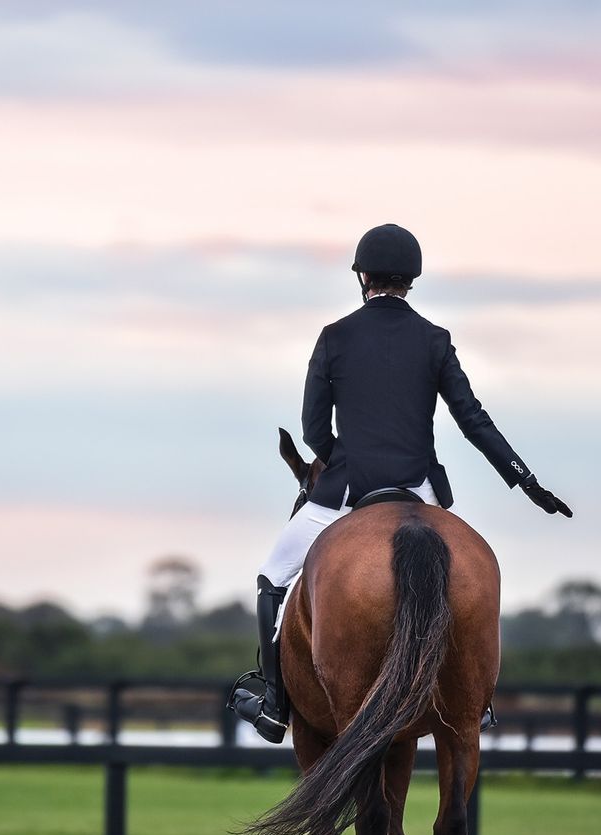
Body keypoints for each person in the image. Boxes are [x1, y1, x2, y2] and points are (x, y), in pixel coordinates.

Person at [230, 224, 572, 743]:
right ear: (411, 279)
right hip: (422, 490)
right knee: (462, 577)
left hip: (346, 488)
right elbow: (473, 420)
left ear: (361, 276)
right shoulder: (435, 340)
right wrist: (526, 481)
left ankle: (276, 703)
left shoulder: (334, 336)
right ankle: (475, 700)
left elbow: (313, 431)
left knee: (272, 578)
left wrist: (338, 460)